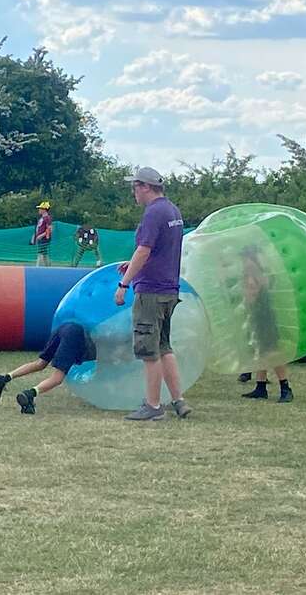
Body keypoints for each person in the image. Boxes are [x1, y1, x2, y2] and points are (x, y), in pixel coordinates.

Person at [114, 167, 191, 421]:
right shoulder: (172, 211)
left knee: (149, 351)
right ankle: (179, 401)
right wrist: (133, 262)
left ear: (145, 186)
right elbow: (157, 250)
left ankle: (154, 406)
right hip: (169, 290)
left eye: (134, 187)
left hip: (151, 292)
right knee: (164, 346)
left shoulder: (153, 213)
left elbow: (145, 250)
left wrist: (124, 283)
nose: (133, 192)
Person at [0, 322, 96, 414]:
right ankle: (30, 394)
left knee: (40, 363)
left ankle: (3, 378)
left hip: (66, 326)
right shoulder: (98, 349)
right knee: (58, 378)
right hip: (76, 335)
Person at [239, 247, 293, 403]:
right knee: (261, 350)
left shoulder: (254, 270)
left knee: (271, 351)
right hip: (258, 312)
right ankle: (261, 387)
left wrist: (249, 295)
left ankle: (285, 388)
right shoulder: (256, 269)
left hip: (263, 313)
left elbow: (253, 290)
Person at [31, 201, 53, 267]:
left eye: (40, 208)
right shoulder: (42, 218)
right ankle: (48, 267)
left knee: (40, 253)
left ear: (44, 210)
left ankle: (37, 267)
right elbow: (38, 228)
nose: (39, 210)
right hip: (40, 238)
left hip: (44, 238)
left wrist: (42, 235)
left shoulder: (47, 218)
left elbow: (50, 229)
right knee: (44, 254)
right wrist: (35, 236)